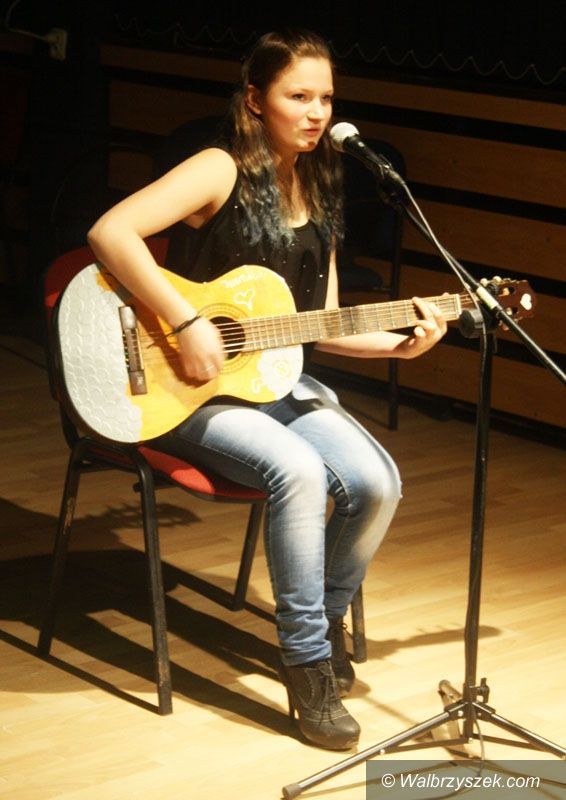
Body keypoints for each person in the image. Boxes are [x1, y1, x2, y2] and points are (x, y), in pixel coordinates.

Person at [87, 29, 447, 750]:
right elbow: (110, 232)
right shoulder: (217, 168)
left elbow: (323, 323)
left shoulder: (320, 187)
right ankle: (306, 664)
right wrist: (187, 320)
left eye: (326, 98)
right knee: (299, 472)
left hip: (274, 381)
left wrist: (402, 344)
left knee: (377, 481)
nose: (317, 113)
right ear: (256, 100)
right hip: (186, 387)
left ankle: (324, 620)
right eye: (298, 96)